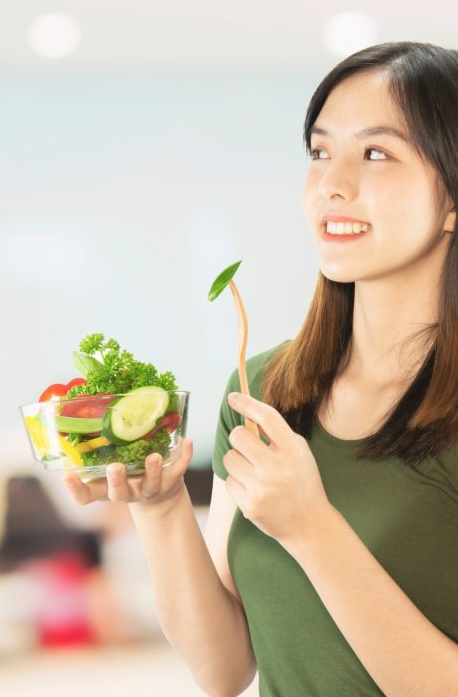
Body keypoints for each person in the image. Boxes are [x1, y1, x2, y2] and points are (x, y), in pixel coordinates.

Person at [63, 41, 458, 696]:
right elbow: (224, 668)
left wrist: (314, 530)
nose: (331, 184)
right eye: (320, 151)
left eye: (377, 153)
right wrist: (160, 509)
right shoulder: (265, 387)